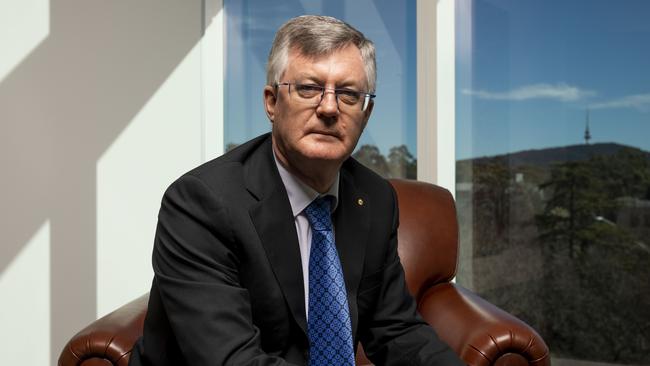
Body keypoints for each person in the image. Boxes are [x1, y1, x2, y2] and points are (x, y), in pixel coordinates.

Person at [130, 15, 464, 366]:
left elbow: (397, 332)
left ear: (366, 114)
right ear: (272, 102)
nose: (330, 108)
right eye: (309, 88)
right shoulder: (201, 204)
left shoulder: (375, 198)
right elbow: (231, 360)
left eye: (349, 94)